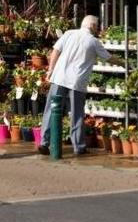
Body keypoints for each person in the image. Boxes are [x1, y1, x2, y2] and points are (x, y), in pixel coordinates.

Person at [41, 14, 108, 155]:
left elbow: (55, 51)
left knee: (51, 110)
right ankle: (79, 146)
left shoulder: (69, 33)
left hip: (59, 77)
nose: (98, 30)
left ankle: (44, 142)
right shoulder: (94, 42)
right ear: (93, 26)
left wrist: (50, 70)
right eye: (97, 26)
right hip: (77, 82)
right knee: (76, 113)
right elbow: (108, 58)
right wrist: (124, 62)